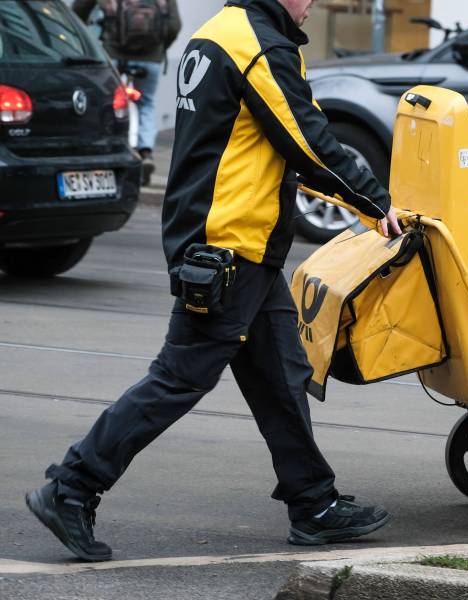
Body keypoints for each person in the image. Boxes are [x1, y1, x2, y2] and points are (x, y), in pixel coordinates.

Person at [27, 0, 402, 562]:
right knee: (178, 379)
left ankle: (313, 503)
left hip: (235, 246)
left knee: (280, 376)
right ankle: (72, 486)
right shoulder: (258, 45)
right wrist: (378, 204)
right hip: (229, 247)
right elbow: (306, 138)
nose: (315, 3)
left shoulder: (216, 33)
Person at [72, 0, 183, 186]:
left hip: (113, 54)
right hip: (150, 58)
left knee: (106, 102)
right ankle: (146, 152)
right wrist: (160, 47)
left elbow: (79, 9)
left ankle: (104, 147)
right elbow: (175, 25)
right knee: (146, 103)